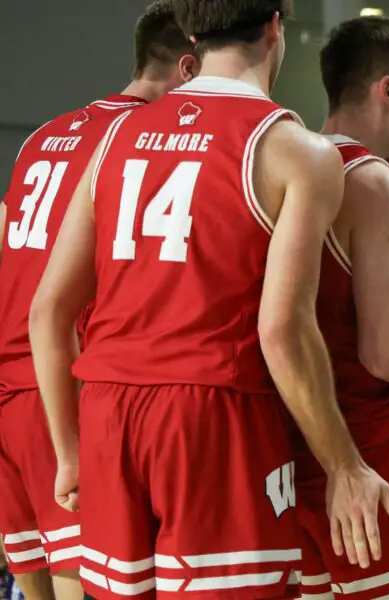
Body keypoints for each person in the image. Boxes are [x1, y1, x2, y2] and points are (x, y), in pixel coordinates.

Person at [29, 1, 389, 598]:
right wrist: (344, 465)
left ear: (193, 33)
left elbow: (48, 310)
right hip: (213, 412)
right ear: (277, 26)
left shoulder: (118, 132)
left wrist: (68, 453)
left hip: (108, 411)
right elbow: (283, 329)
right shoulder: (295, 148)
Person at [0, 3, 196, 599]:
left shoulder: (43, 134)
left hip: (9, 391)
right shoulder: (138, 142)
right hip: (63, 388)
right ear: (188, 69)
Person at [296, 16, 389, 600]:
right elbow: (387, 355)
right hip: (364, 456)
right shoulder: (375, 183)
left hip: (284, 455)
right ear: (387, 88)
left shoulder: (280, 167)